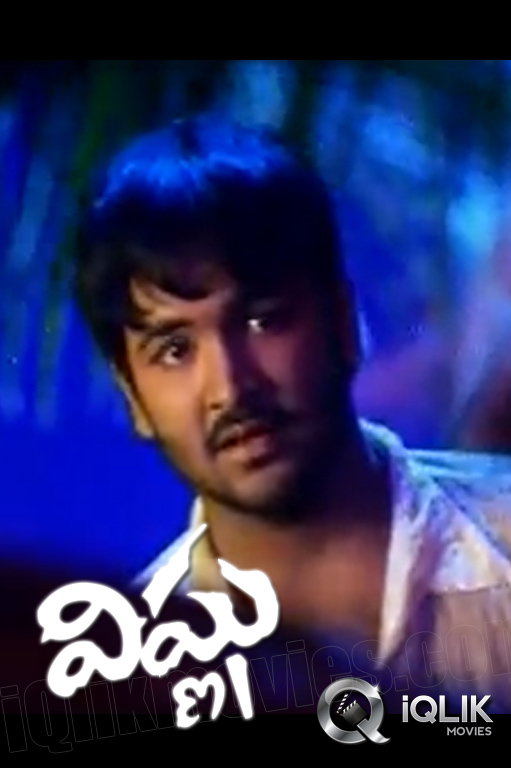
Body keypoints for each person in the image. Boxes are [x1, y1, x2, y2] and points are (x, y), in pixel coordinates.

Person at [73, 114, 511, 713]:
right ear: (132, 397)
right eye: (174, 350)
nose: (231, 386)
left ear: (344, 324)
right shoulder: (127, 677)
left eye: (264, 320)